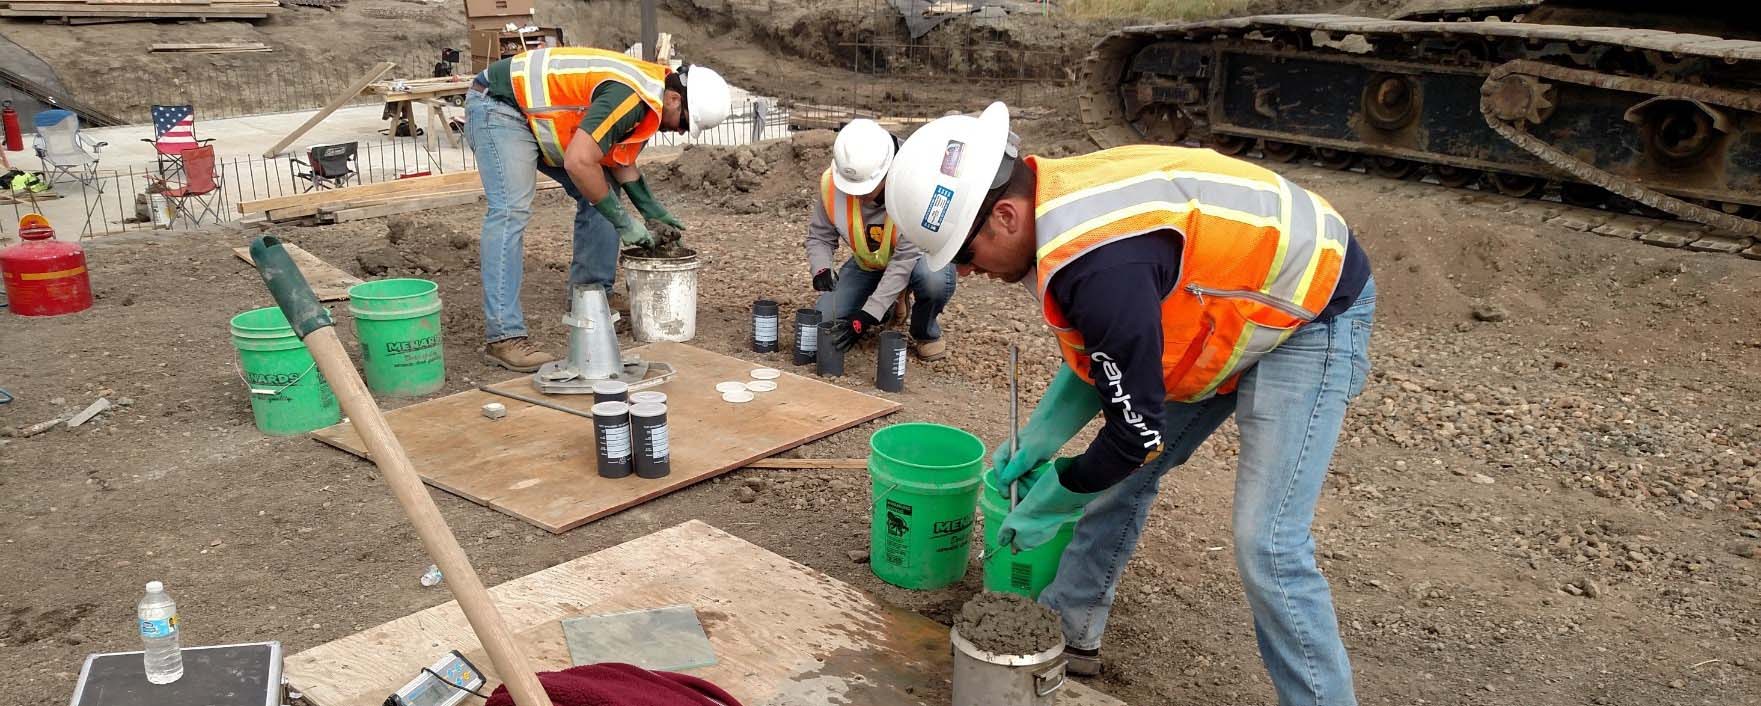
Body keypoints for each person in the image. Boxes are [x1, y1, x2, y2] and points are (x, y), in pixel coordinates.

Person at [885, 102, 1375, 706]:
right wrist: (1043, 435)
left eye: (965, 254)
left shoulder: (1099, 266)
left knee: (1267, 543)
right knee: (1118, 479)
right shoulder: (1058, 205)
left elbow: (1136, 432)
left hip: (1311, 300)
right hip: (1225, 298)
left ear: (1006, 217)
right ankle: (1069, 629)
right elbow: (1112, 356)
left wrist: (1056, 495)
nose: (968, 271)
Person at [465, 47, 731, 371]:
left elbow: (617, 160)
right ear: (675, 100)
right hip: (501, 104)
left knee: (603, 190)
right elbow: (579, 161)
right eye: (684, 123)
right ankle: (503, 336)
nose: (678, 131)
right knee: (510, 211)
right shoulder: (630, 98)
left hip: (535, 116)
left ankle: (590, 299)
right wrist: (622, 221)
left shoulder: (649, 95)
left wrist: (650, 209)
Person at [807, 119, 955, 360]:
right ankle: (891, 302)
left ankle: (925, 332)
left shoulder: (918, 186)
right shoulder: (835, 183)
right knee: (824, 317)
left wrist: (867, 316)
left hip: (918, 259)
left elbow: (906, 258)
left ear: (889, 169)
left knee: (933, 280)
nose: (856, 194)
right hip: (870, 263)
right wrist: (821, 267)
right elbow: (820, 236)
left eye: (865, 188)